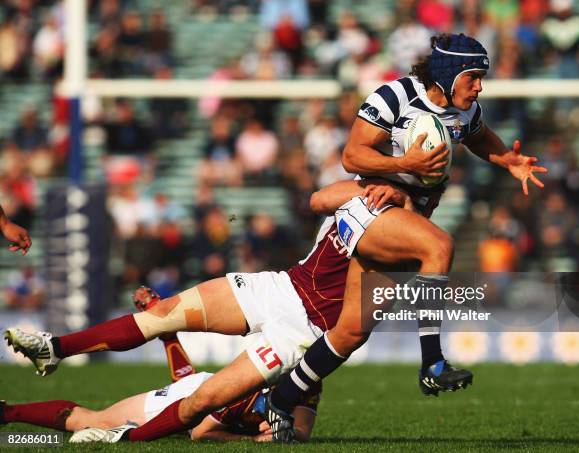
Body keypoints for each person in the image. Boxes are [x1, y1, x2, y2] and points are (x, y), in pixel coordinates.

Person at [263, 32, 547, 441]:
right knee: (439, 245)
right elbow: (352, 156)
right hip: (374, 208)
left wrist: (510, 162)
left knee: (351, 333)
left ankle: (281, 399)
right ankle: (432, 363)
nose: (480, 85)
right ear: (449, 74)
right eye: (473, 77)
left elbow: (479, 136)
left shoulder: (464, 110)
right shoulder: (393, 97)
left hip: (407, 217)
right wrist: (405, 162)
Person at [4, 179, 410, 443]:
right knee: (164, 317)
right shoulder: (362, 192)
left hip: (301, 331)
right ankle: (54, 348)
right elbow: (318, 198)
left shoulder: (303, 379)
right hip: (283, 286)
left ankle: (94, 434)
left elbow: (219, 426)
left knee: (179, 404)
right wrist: (169, 339)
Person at [1, 287, 319, 443]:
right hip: (198, 395)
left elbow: (301, 431)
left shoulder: (307, 377)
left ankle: (163, 327)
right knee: (94, 421)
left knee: (190, 383)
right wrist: (250, 440)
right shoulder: (247, 391)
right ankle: (8, 414)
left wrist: (284, 435)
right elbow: (201, 432)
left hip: (201, 386)